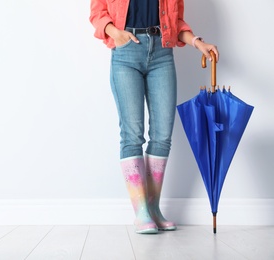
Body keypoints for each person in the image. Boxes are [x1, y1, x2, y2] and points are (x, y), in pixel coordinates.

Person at [89, 0, 219, 234]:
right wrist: (116, 33)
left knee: (162, 135)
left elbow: (176, 21)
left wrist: (197, 42)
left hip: (162, 53)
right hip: (126, 51)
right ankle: (141, 213)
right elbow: (98, 12)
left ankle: (153, 208)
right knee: (132, 134)